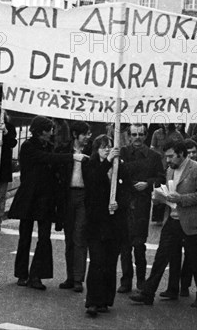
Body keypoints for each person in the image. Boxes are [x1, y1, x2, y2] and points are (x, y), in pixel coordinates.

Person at [130, 140, 197, 308]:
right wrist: (159, 199)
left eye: (171, 156)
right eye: (166, 157)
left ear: (181, 154)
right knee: (161, 257)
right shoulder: (169, 171)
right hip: (172, 219)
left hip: (190, 221)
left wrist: (181, 199)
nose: (168, 161)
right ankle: (148, 293)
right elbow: (168, 192)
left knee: (195, 259)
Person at [8, 116, 74, 290]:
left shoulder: (50, 146)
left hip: (45, 197)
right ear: (40, 131)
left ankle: (36, 274)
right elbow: (45, 158)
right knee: (25, 236)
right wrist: (72, 157)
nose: (52, 133)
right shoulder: (28, 146)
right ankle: (21, 273)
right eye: (49, 130)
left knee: (44, 237)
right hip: (30, 196)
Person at [82, 135, 129, 317]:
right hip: (96, 222)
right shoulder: (91, 165)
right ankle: (92, 301)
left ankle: (105, 300)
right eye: (103, 147)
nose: (107, 150)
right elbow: (92, 182)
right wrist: (107, 162)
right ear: (96, 149)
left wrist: (119, 203)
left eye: (110, 146)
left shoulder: (121, 166)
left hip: (114, 223)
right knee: (97, 262)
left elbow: (127, 192)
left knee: (110, 263)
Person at [117, 124, 165, 293]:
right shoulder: (122, 152)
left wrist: (148, 183)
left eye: (140, 134)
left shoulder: (153, 156)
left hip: (142, 204)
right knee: (124, 245)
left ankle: (141, 281)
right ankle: (126, 281)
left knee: (139, 244)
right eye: (134, 134)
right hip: (124, 201)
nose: (137, 137)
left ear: (145, 136)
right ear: (129, 136)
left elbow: (161, 176)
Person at [57, 121, 91, 293]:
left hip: (84, 196)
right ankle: (70, 277)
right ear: (75, 135)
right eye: (84, 134)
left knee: (80, 236)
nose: (87, 137)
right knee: (69, 237)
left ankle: (78, 278)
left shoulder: (91, 151)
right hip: (67, 195)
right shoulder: (65, 149)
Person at [150, 123, 184, 224]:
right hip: (160, 166)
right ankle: (158, 218)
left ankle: (172, 215)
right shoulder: (156, 133)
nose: (166, 124)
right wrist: (159, 155)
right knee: (159, 191)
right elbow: (152, 147)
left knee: (171, 191)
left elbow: (182, 149)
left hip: (172, 166)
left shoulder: (177, 135)